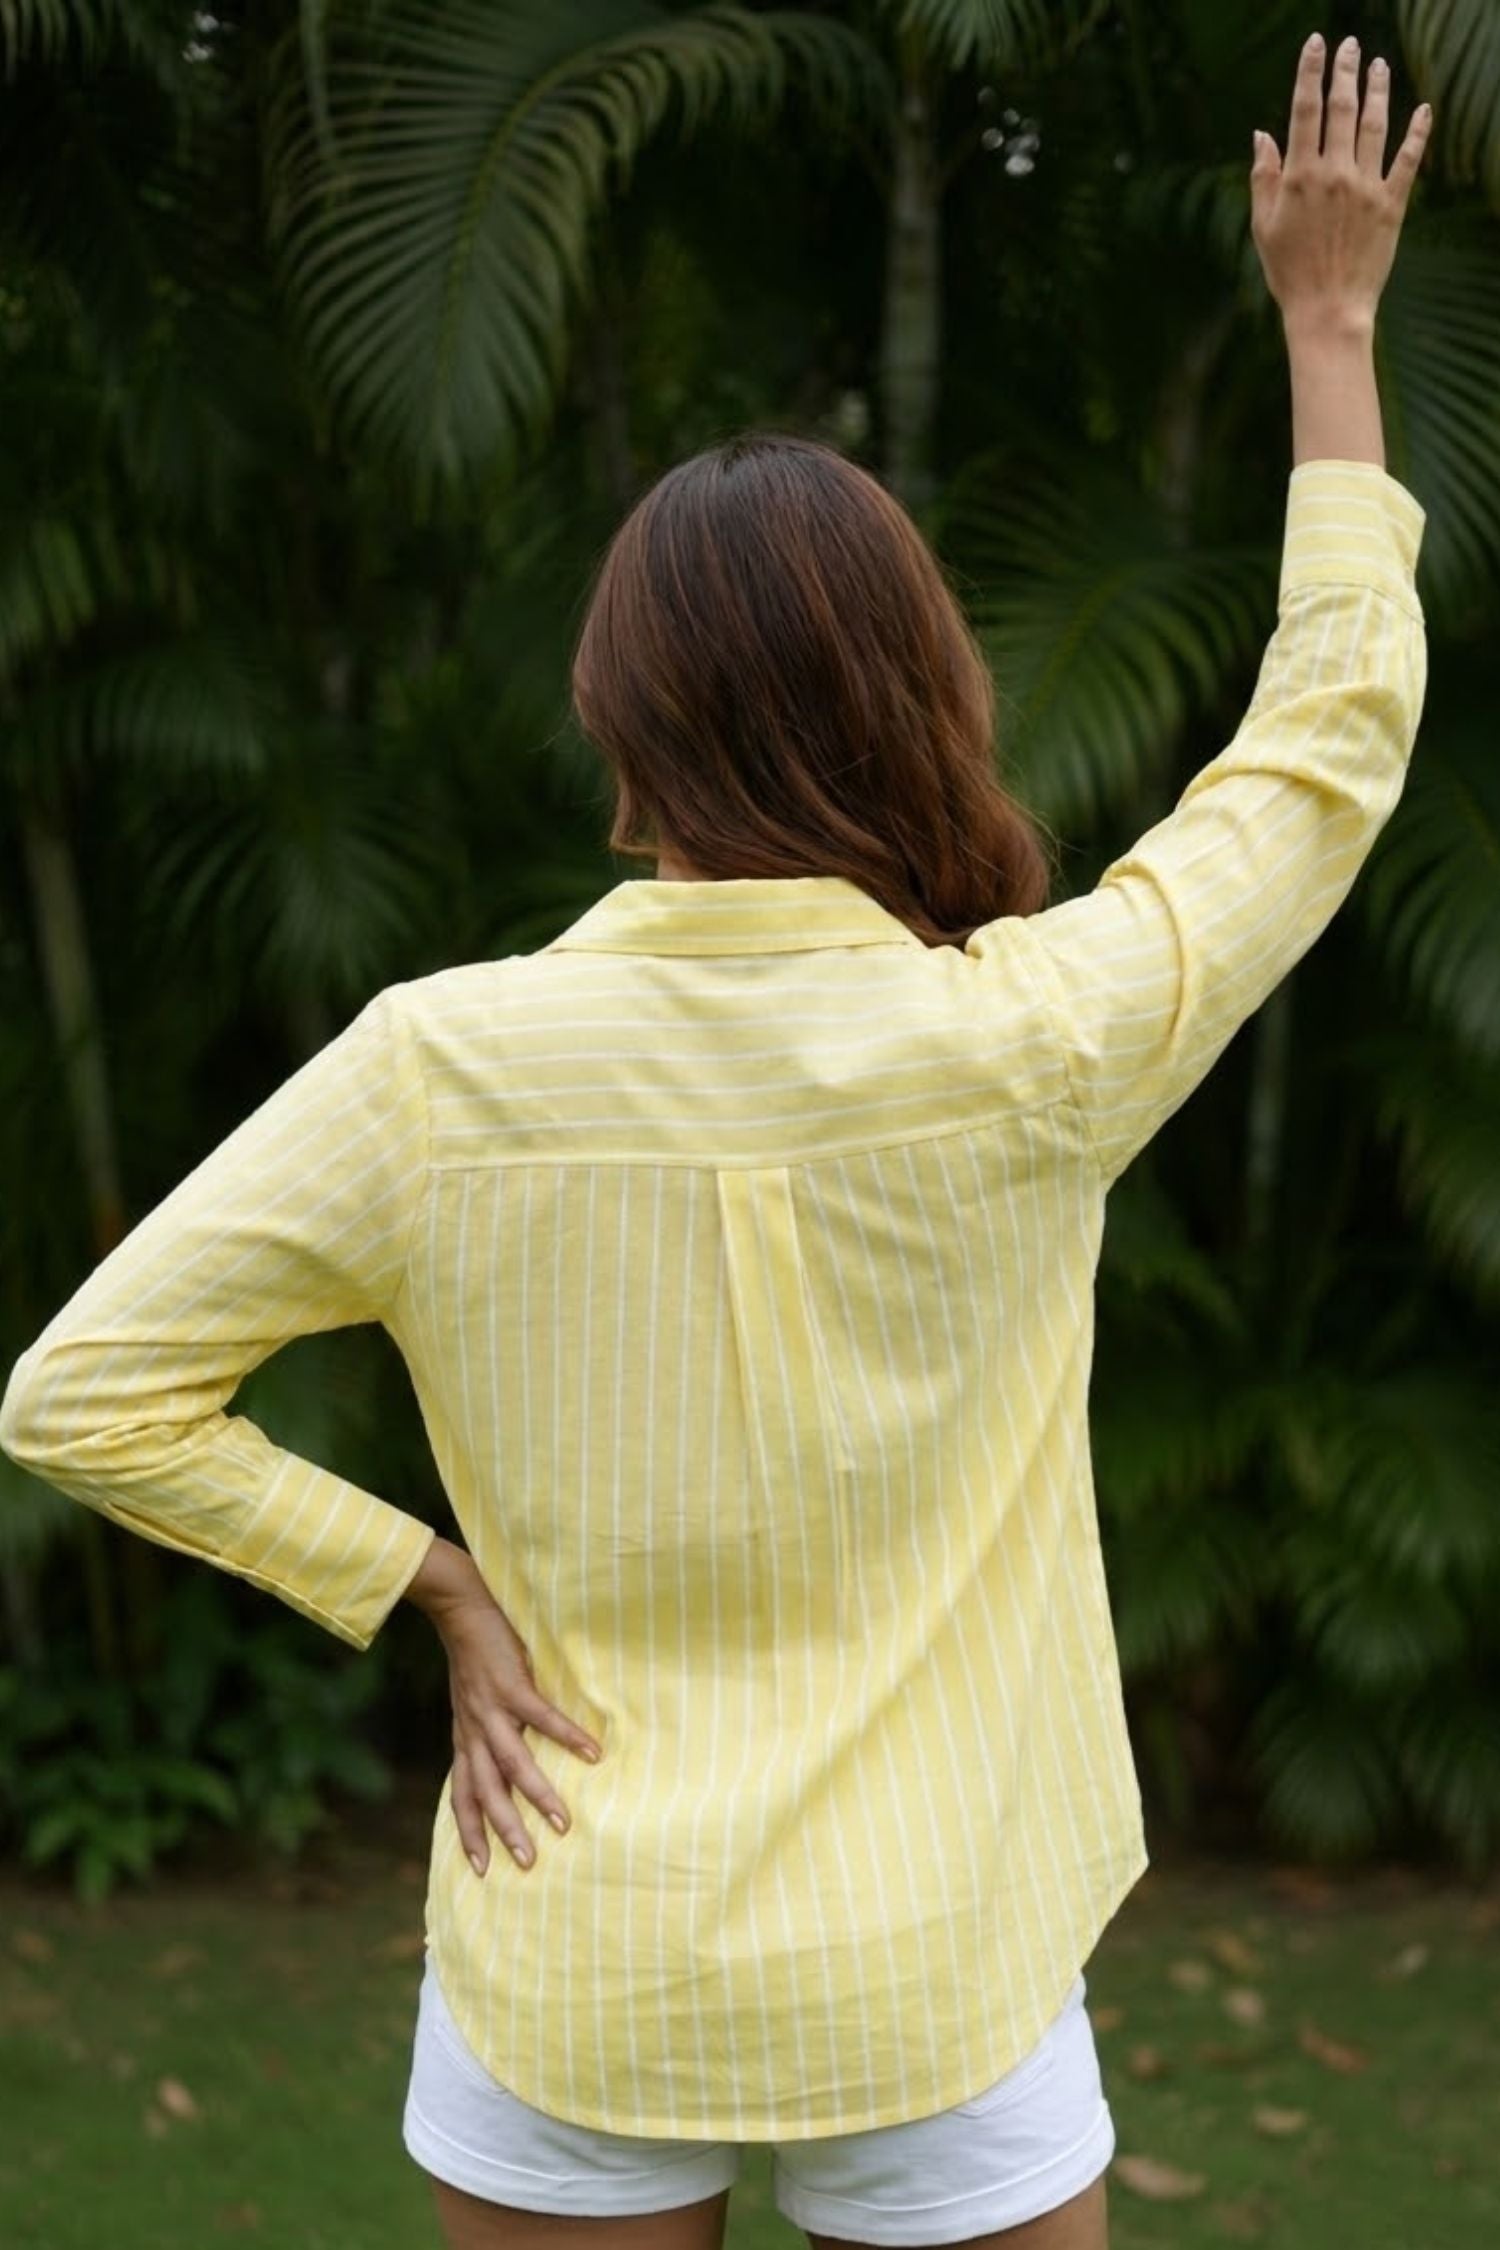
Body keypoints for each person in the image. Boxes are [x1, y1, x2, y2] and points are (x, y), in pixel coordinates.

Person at [0, 28, 1432, 2250]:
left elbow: (80, 1396)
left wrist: (424, 1590)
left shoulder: (433, 1066)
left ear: (617, 724)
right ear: (925, 701)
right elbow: (1324, 746)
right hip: (937, 1965)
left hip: (576, 1937)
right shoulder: (1037, 1040)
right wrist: (1329, 330)